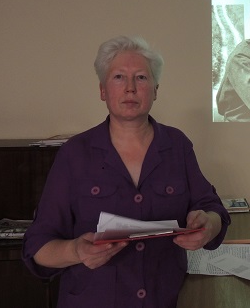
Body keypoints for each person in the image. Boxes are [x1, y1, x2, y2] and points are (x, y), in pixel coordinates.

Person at [23, 35, 230, 308]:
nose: (130, 88)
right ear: (103, 91)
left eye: (141, 78)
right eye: (119, 77)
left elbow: (213, 209)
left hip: (165, 300)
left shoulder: (177, 144)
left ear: (155, 90)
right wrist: (75, 250)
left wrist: (208, 226)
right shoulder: (74, 153)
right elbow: (37, 246)